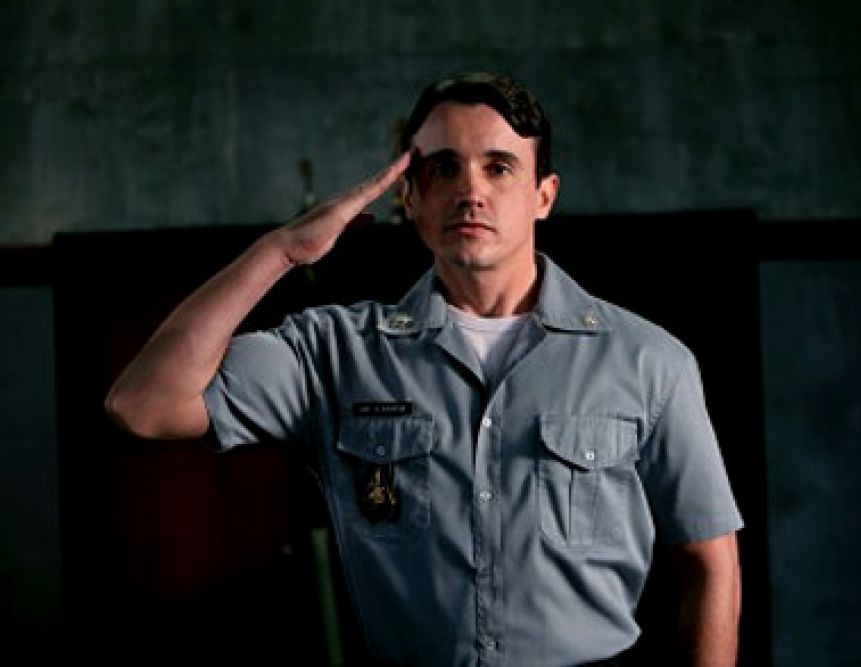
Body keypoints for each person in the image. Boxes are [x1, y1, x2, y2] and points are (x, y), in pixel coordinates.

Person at [106, 72, 743, 666]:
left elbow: (711, 563)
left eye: (499, 167)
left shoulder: (648, 360)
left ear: (544, 196)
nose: (471, 191)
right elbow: (143, 405)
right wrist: (280, 251)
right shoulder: (335, 353)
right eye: (443, 168)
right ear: (409, 196)